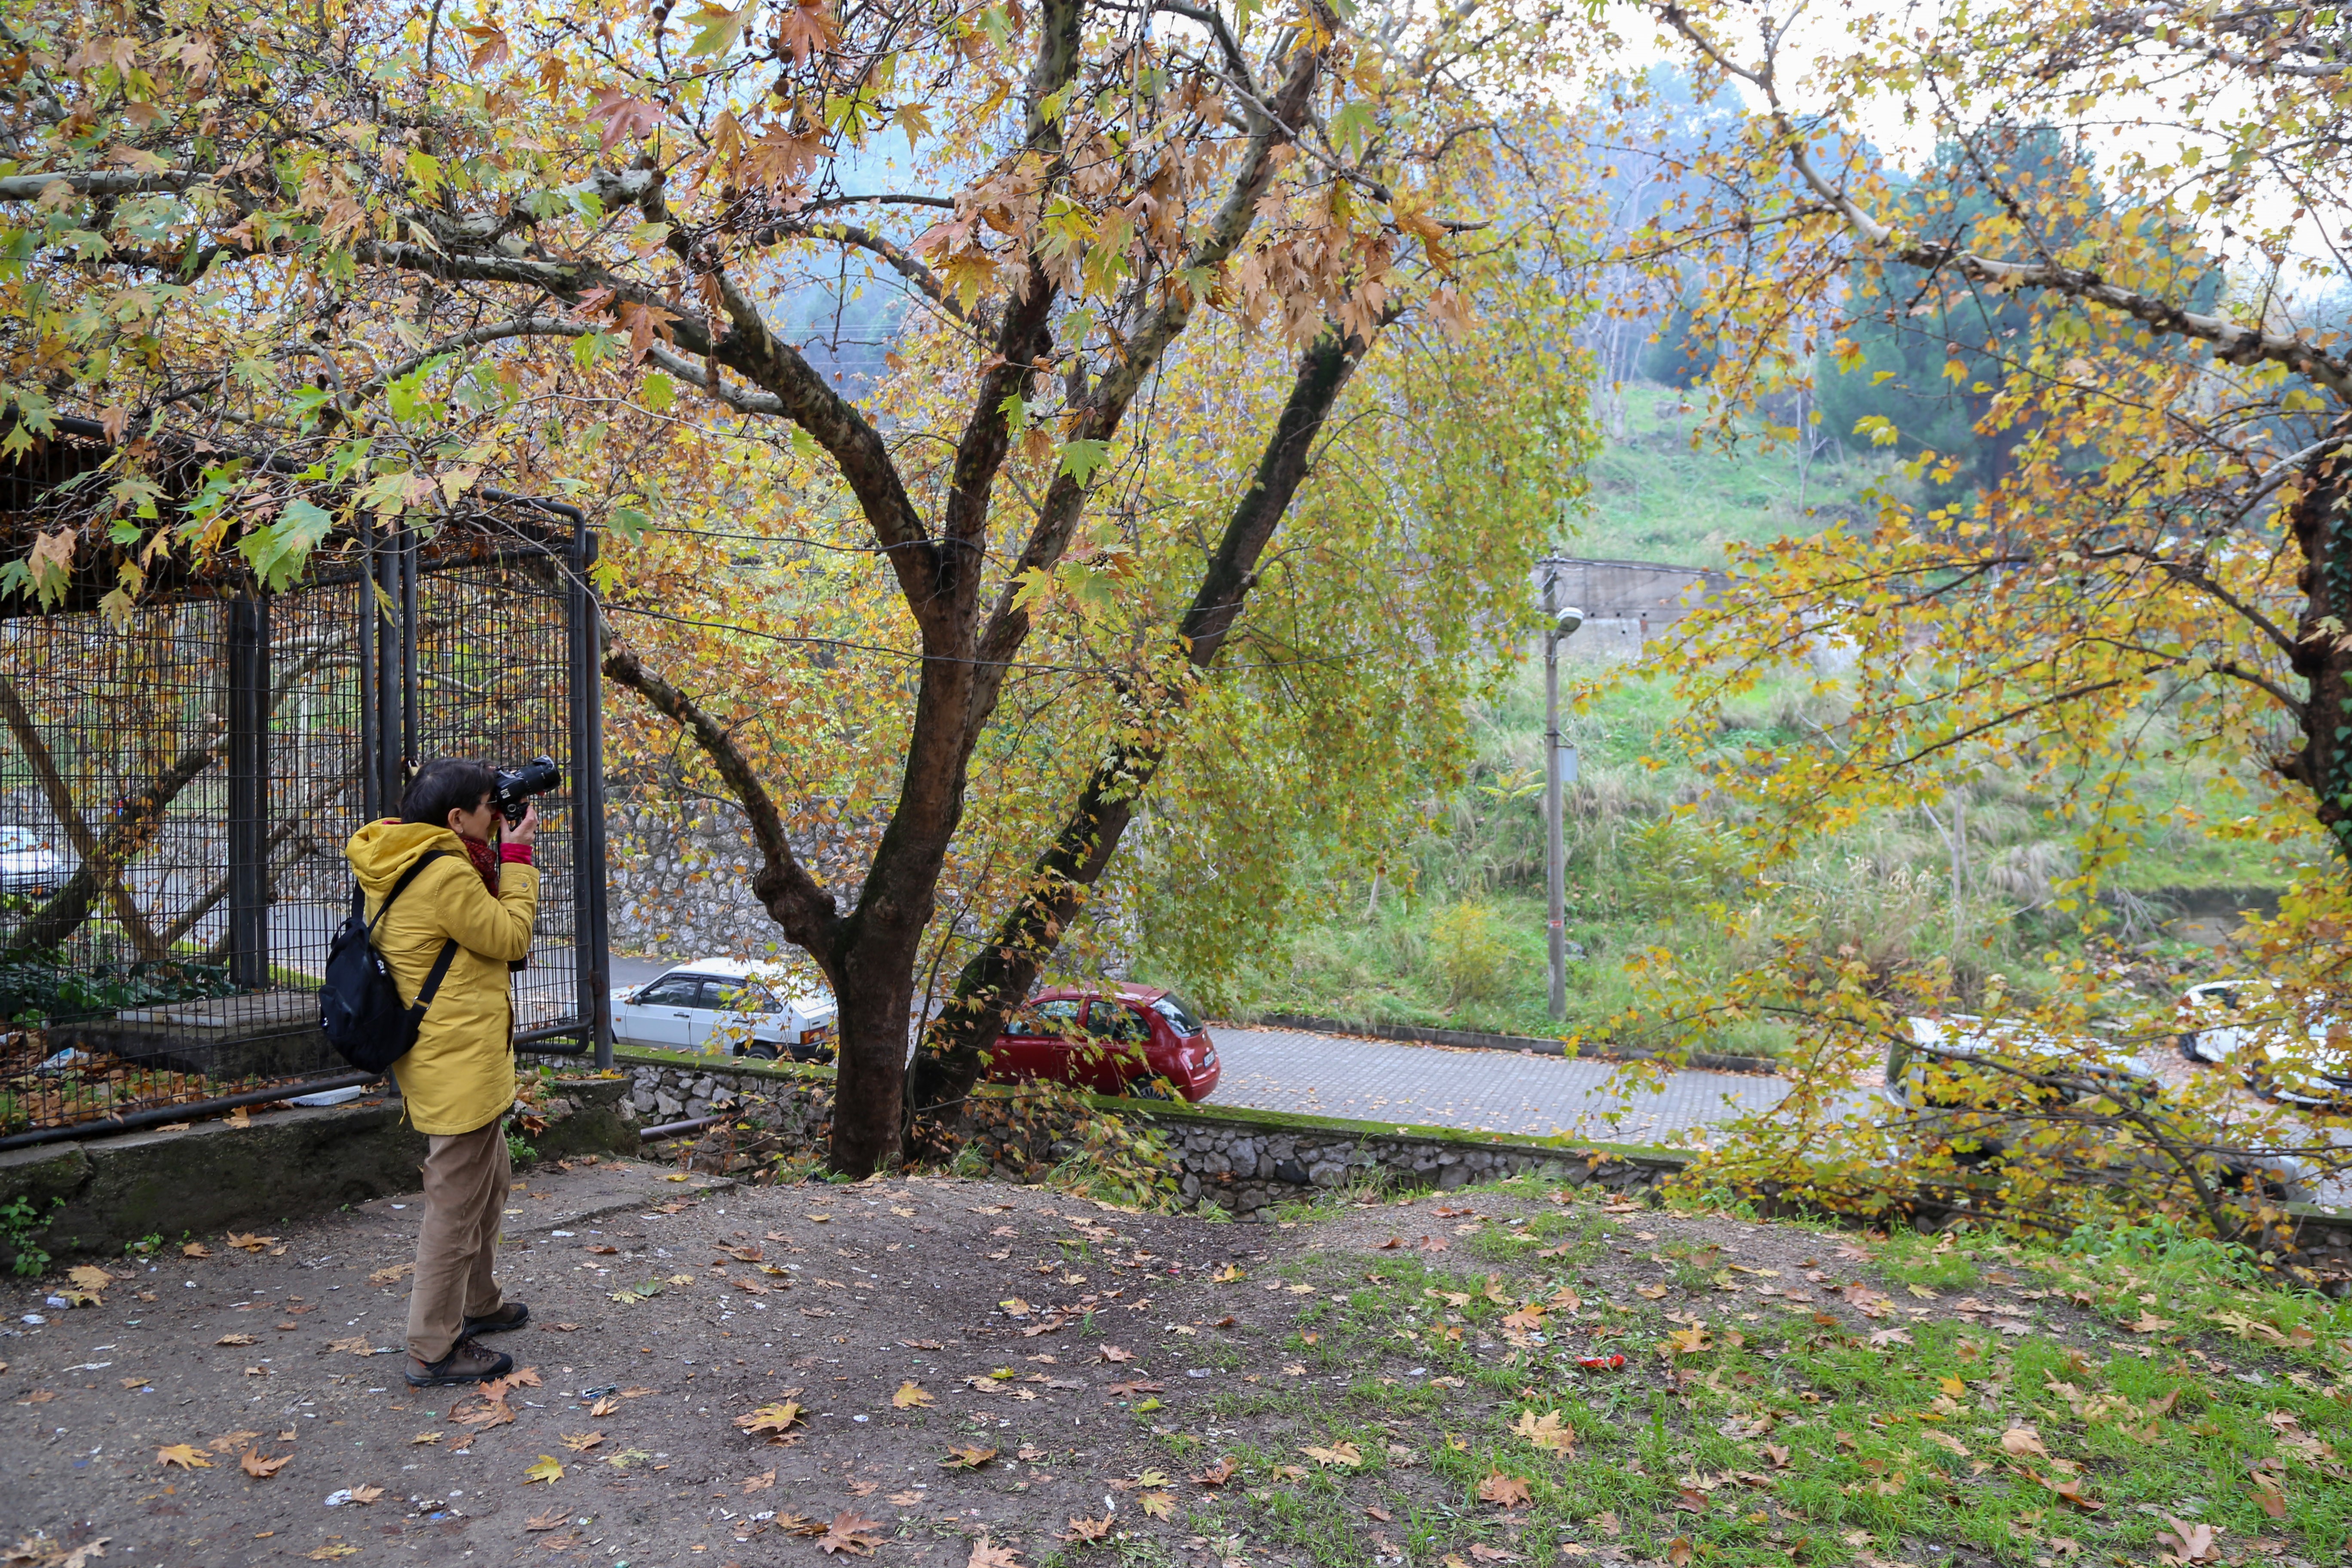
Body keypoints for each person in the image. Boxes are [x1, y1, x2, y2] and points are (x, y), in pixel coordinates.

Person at [344, 759, 541, 1387]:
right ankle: (433, 1347)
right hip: (456, 1064)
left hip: (454, 1056)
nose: (499, 814)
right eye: (490, 806)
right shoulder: (445, 874)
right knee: (455, 1208)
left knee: (491, 1184)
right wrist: (519, 857)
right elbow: (511, 937)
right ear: (456, 820)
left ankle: (479, 1302)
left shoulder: (404, 854)